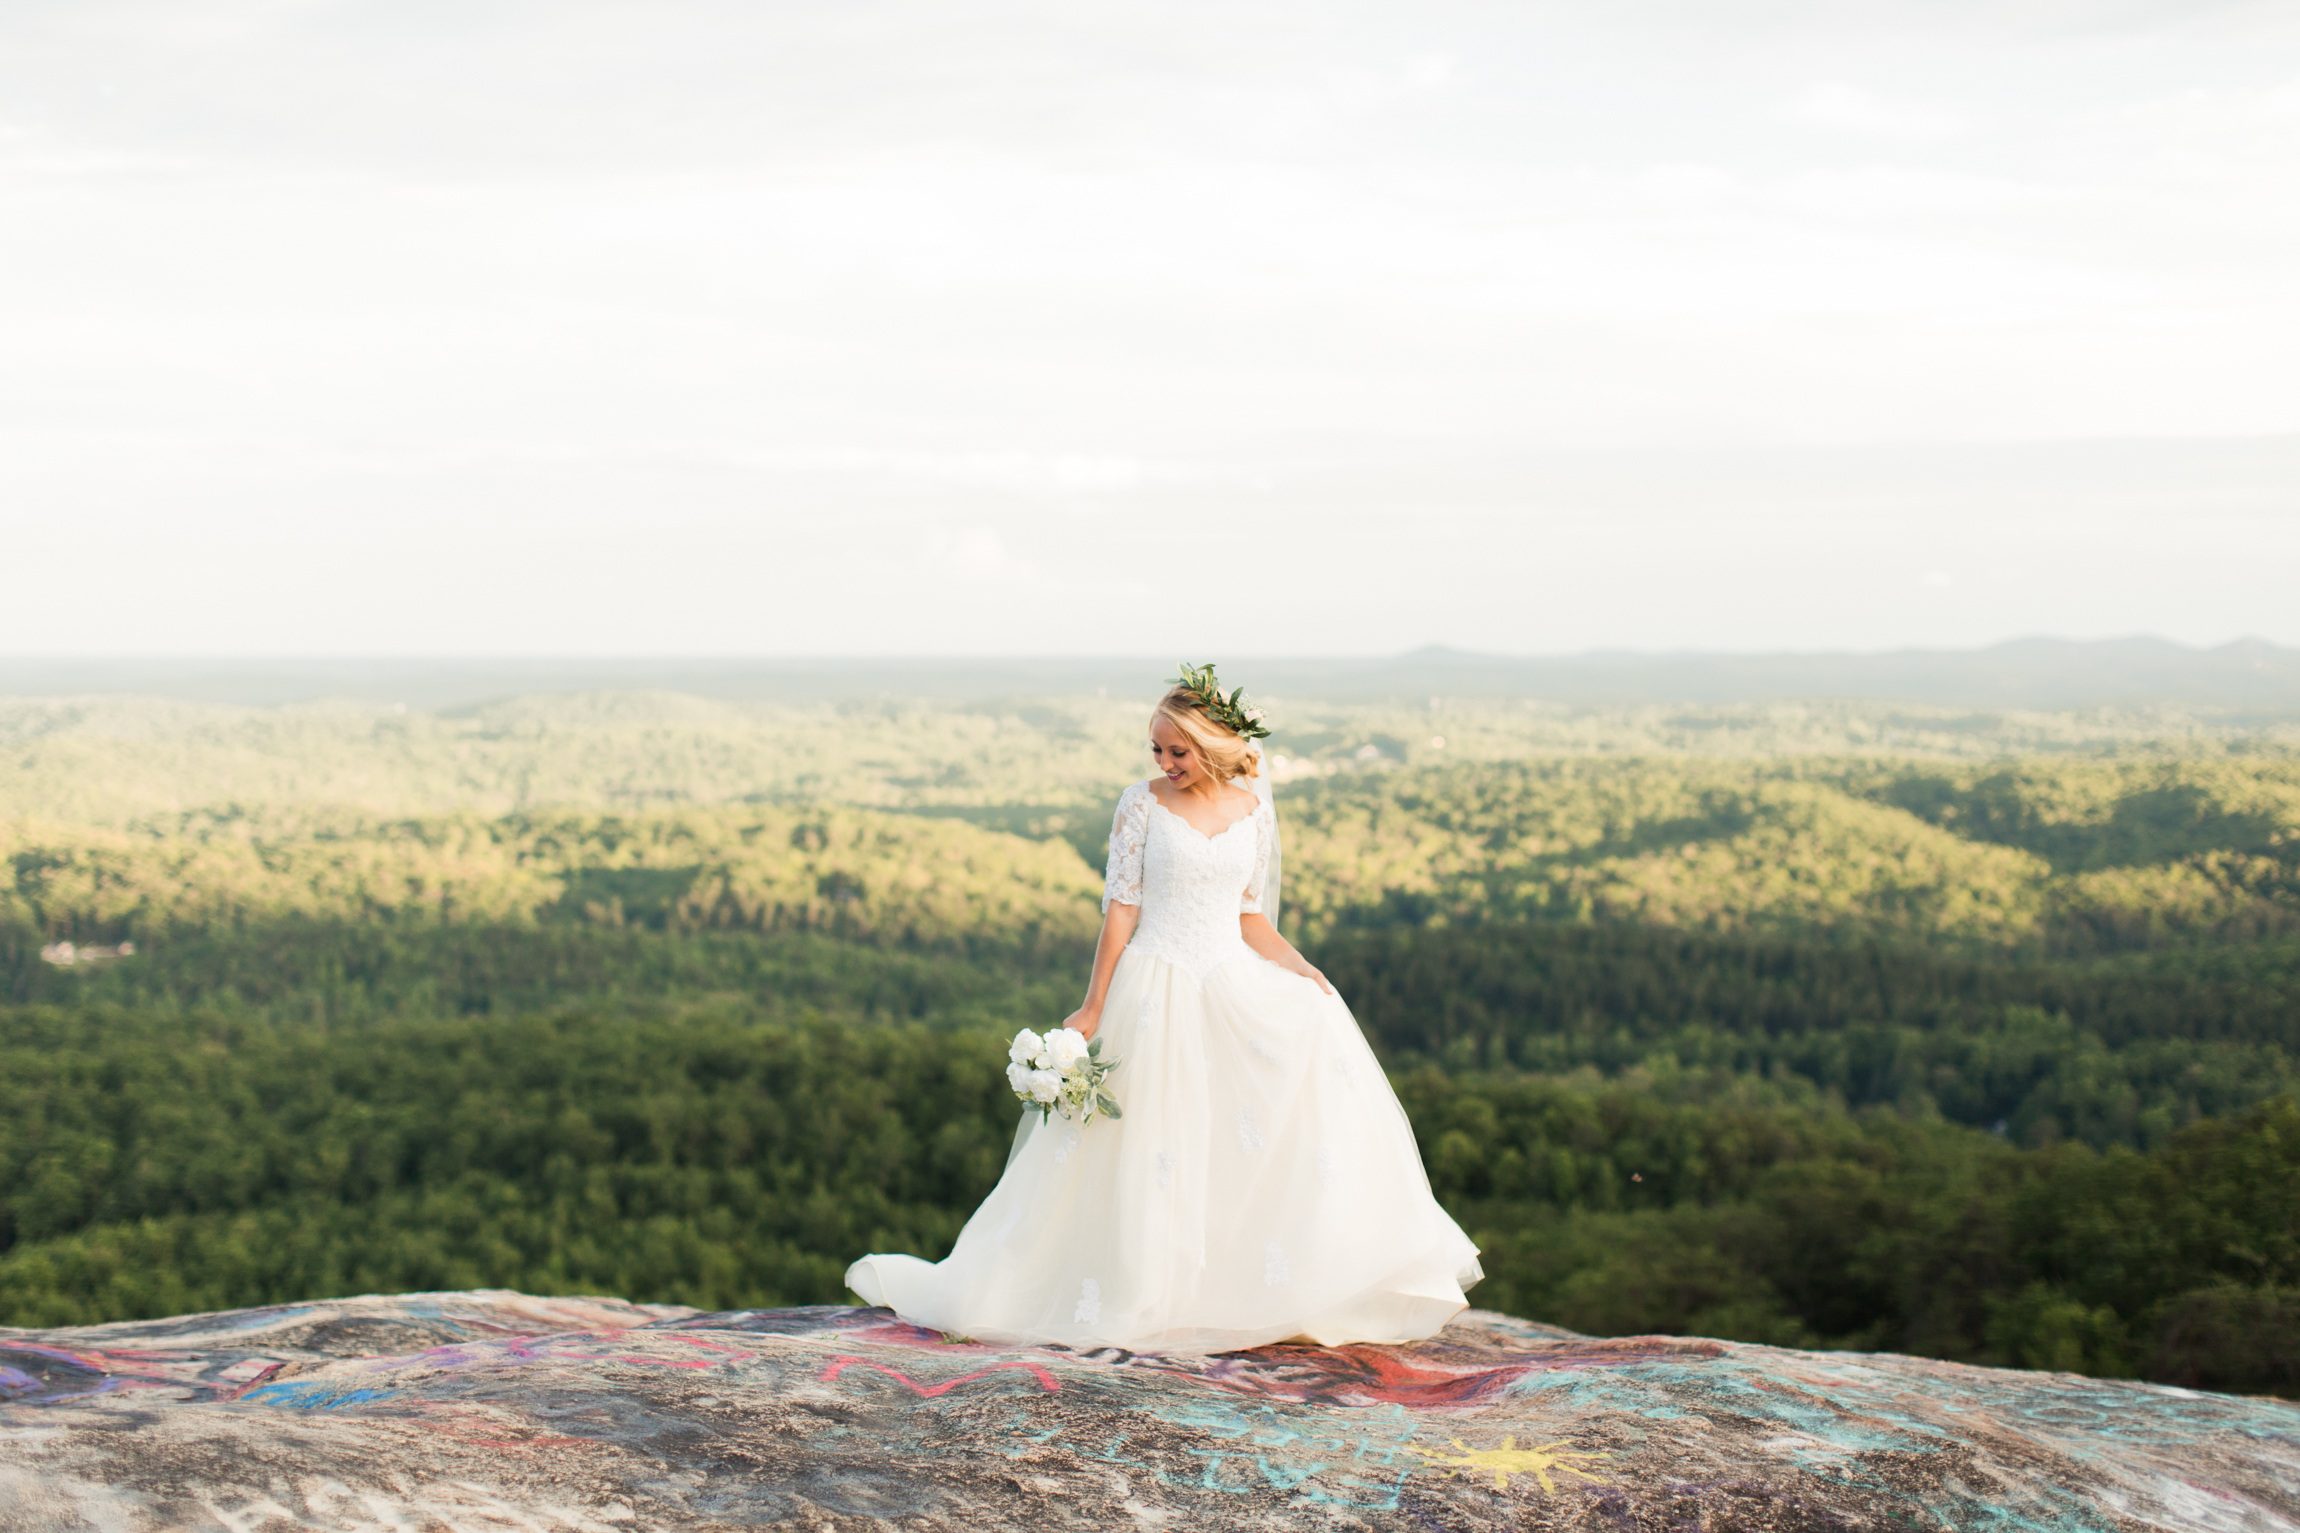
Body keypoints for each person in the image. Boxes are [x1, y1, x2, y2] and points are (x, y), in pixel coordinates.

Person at [846, 665, 1481, 1353]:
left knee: (1259, 1110)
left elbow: (1249, 916)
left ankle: (1247, 1288)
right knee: (1148, 1147)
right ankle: (1141, 1290)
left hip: (1230, 981)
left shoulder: (1252, 809)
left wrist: (1299, 967)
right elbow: (1121, 912)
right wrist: (1093, 1005)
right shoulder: (1140, 805)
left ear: (1209, 746)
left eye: (1176, 750)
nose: (1164, 762)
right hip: (1155, 985)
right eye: (1157, 749)